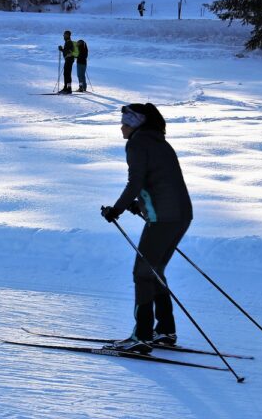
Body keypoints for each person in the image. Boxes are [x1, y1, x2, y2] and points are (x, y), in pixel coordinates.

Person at [101, 103, 193, 354]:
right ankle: (164, 331)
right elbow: (160, 181)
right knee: (154, 271)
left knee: (143, 273)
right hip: (181, 215)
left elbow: (136, 181)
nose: (121, 127)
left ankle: (141, 336)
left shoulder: (137, 143)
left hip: (163, 218)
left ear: (135, 124)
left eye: (125, 122)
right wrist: (139, 205)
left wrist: (116, 210)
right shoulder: (158, 141)